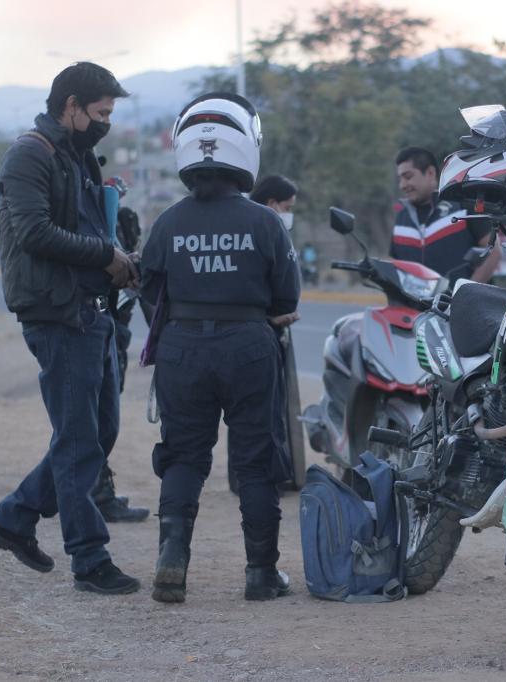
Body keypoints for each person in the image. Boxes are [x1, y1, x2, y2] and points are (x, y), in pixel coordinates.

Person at [0, 62, 141, 595]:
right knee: (78, 441)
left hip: (92, 310)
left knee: (100, 433)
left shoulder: (78, 155)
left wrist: (122, 258)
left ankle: (15, 517)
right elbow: (34, 232)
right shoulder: (31, 154)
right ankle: (90, 560)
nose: (105, 123)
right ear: (71, 106)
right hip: (57, 313)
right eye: (100, 113)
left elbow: (90, 229)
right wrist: (105, 255)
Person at [140, 92, 301, 604]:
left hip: (181, 349)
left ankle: (171, 562)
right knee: (255, 461)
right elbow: (287, 296)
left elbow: (149, 291)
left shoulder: (168, 221)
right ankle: (261, 574)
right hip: (250, 346)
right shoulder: (266, 222)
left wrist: (180, 329)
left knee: (183, 458)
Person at [227, 175, 301, 497]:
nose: (290, 214)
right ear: (272, 203)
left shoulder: (244, 225)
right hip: (259, 332)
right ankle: (258, 480)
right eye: (288, 207)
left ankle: (259, 476)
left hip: (251, 330)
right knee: (259, 415)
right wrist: (273, 316)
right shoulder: (265, 228)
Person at [90, 189, 151, 523]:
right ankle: (97, 494)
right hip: (104, 336)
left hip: (110, 335)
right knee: (98, 423)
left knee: (98, 422)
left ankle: (95, 491)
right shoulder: (108, 253)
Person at [391, 146, 501, 284]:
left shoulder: (463, 204)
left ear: (430, 173)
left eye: (408, 177)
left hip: (463, 297)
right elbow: (395, 263)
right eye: (400, 179)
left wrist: (464, 292)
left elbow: (493, 253)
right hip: (416, 299)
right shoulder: (402, 216)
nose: (402, 185)